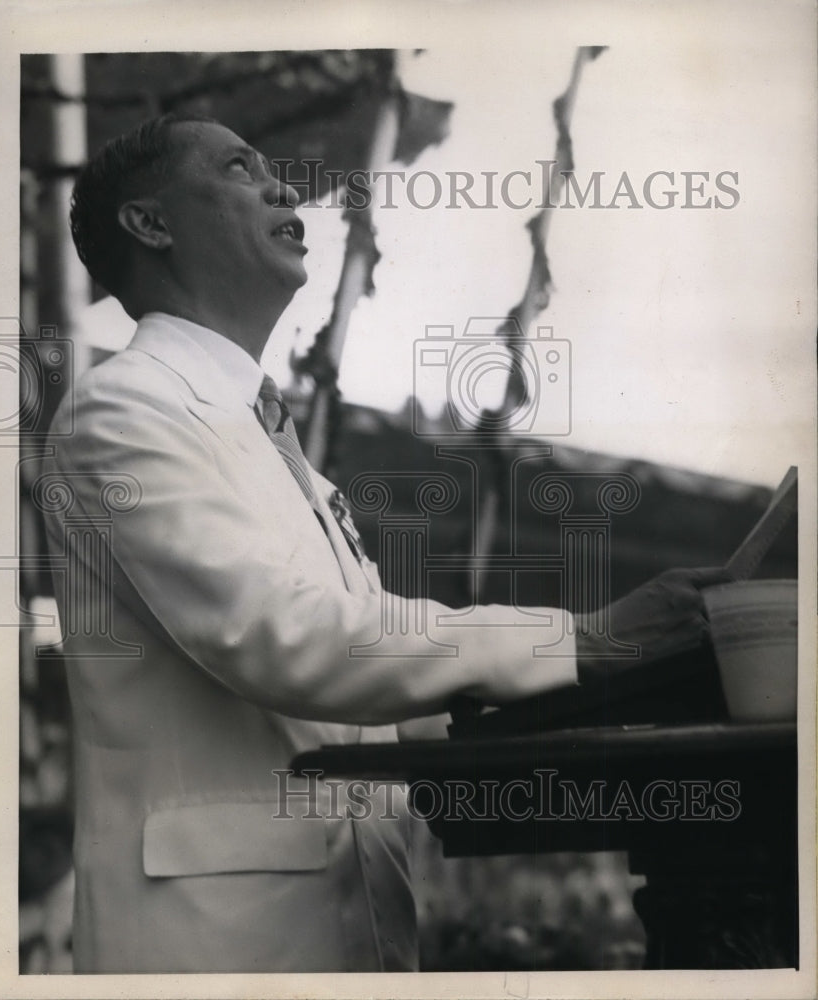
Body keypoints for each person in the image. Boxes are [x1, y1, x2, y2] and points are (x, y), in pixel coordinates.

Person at [41, 113, 723, 973]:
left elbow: (353, 682)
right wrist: (583, 642)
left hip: (346, 930)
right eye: (240, 169)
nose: (284, 187)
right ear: (151, 223)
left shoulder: (270, 440)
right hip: (214, 946)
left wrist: (542, 705)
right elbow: (289, 638)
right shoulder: (125, 410)